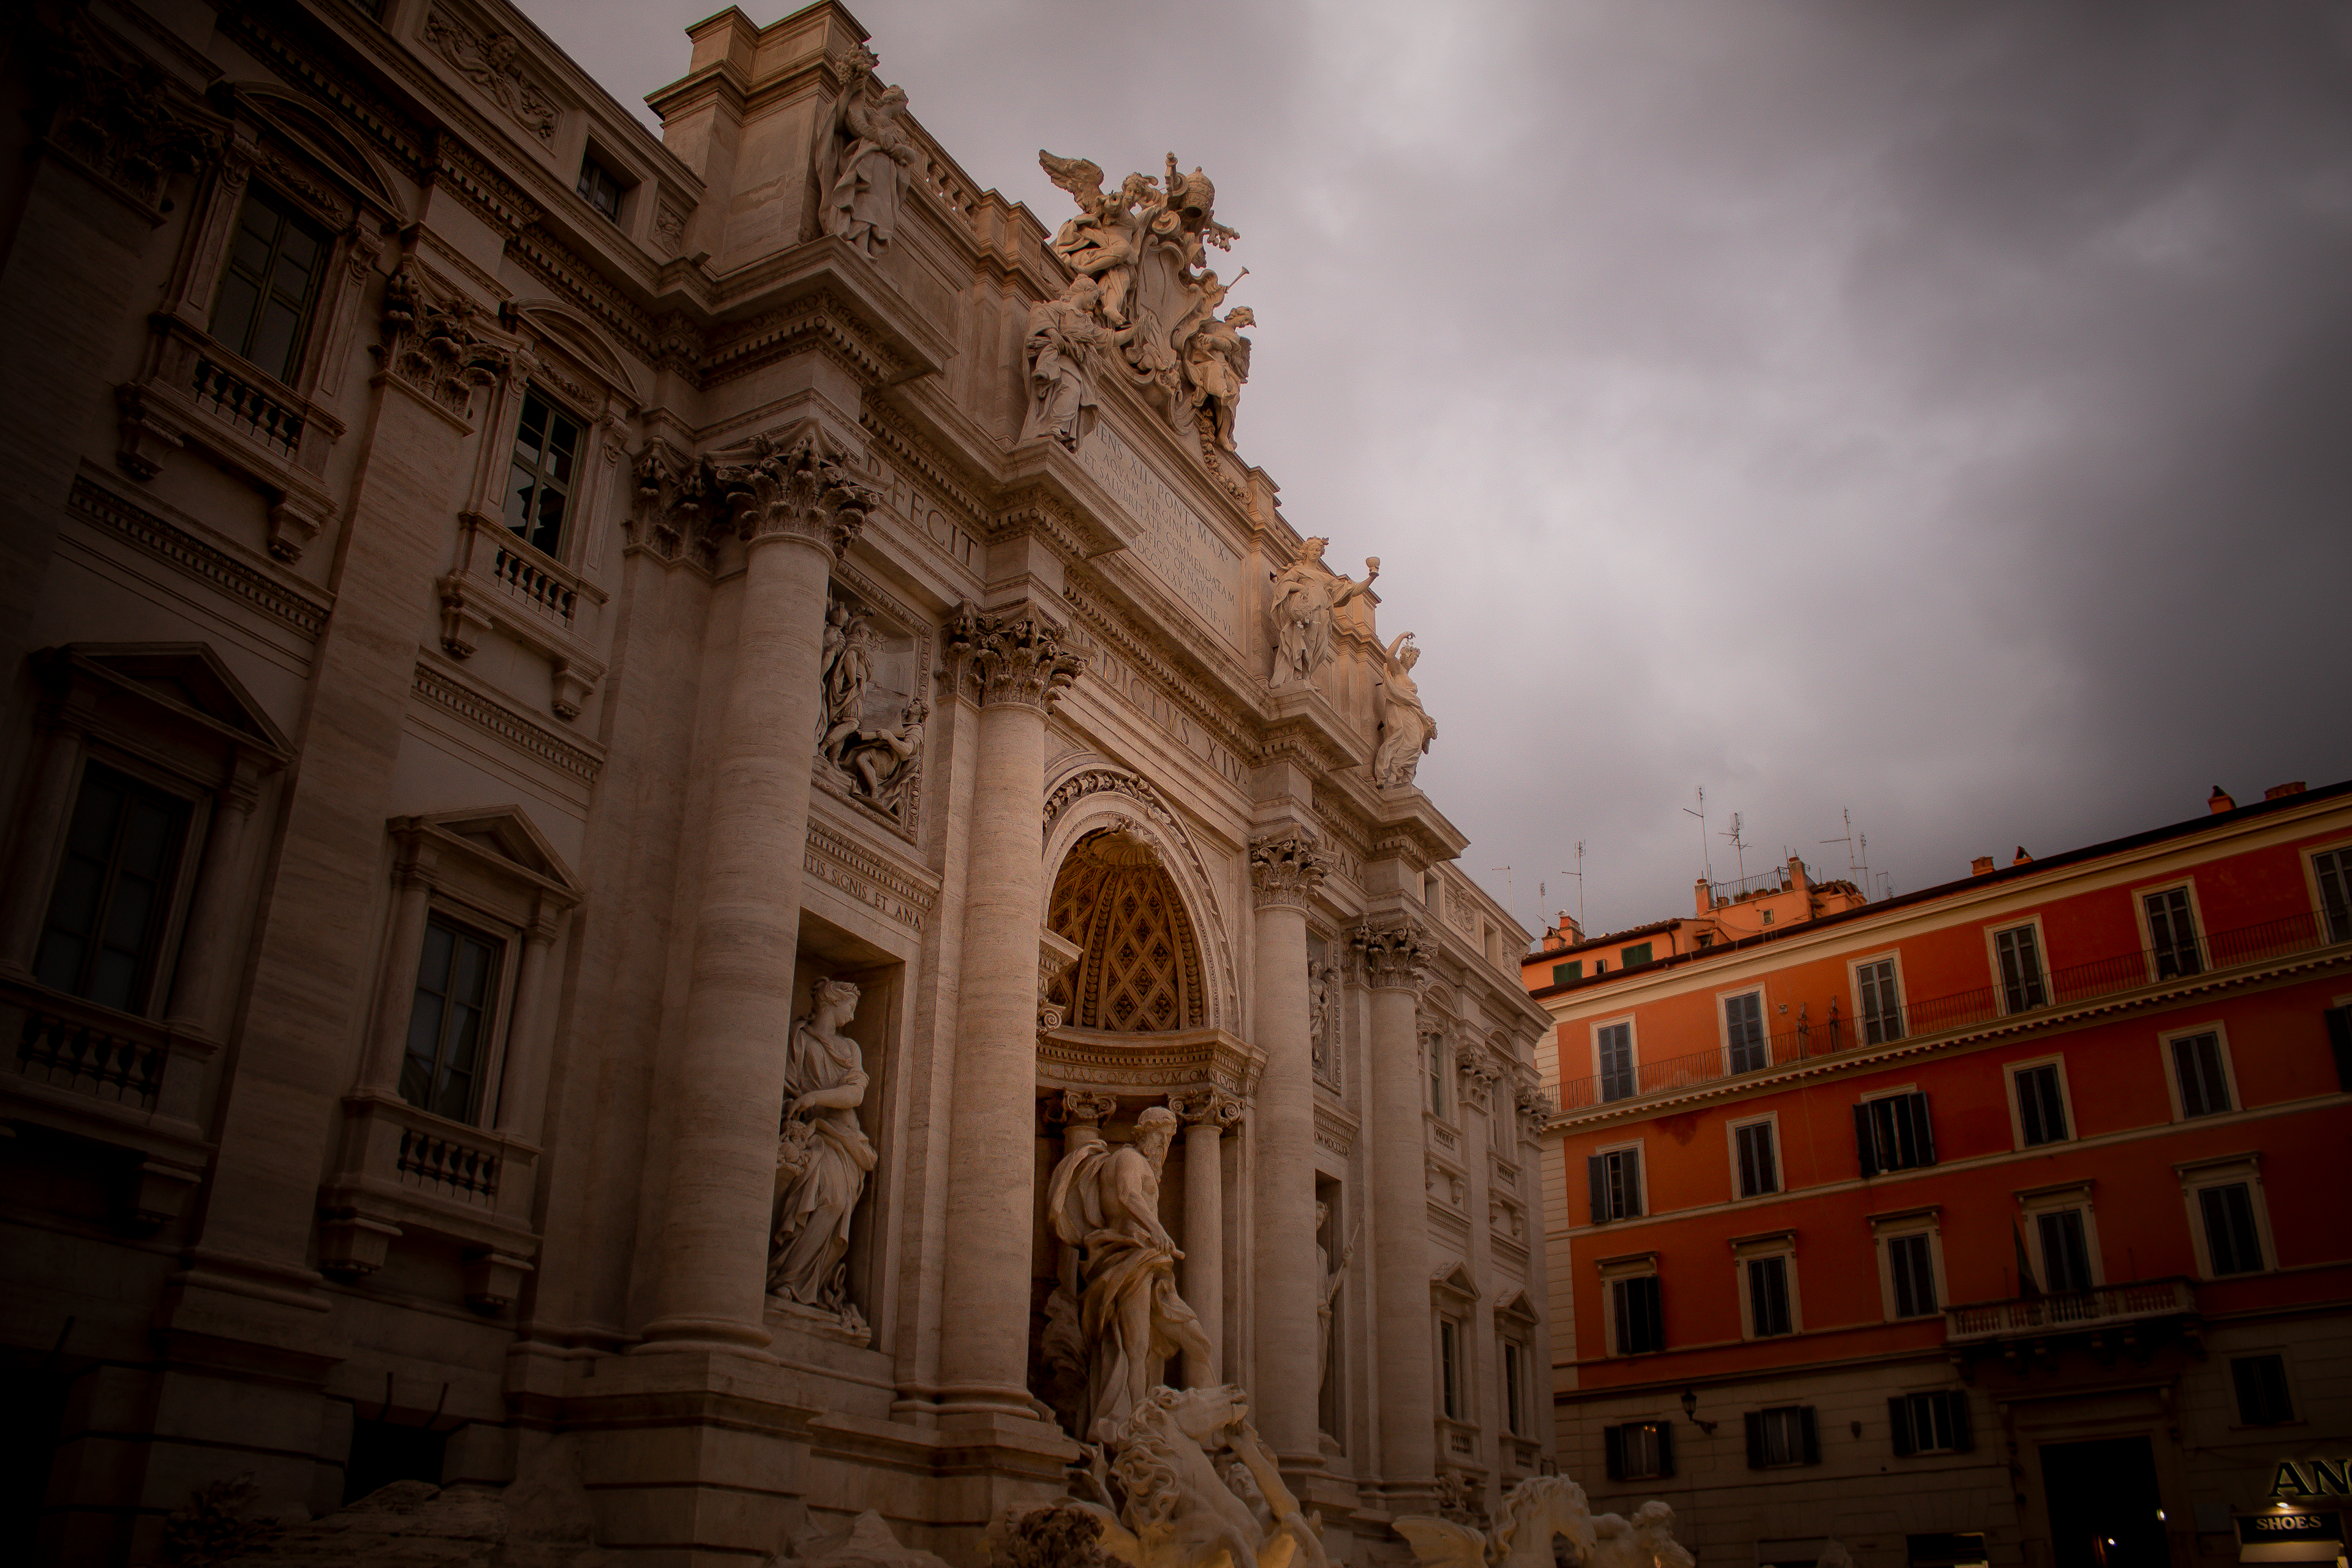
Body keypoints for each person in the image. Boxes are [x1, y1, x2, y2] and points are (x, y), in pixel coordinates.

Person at [1045, 1106, 1213, 1441]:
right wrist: (1158, 1230)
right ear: (1146, 1133)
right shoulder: (1130, 1161)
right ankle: (1139, 1425)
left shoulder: (1144, 1164)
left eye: (1169, 1139)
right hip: (1128, 1259)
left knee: (1196, 1341)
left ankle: (1206, 1425)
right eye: (1163, 1137)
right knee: (1137, 1348)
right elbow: (1127, 1195)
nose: (1166, 1146)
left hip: (1148, 1261)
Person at [769, 979, 878, 1310]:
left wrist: (815, 1096)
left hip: (842, 1136)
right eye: (851, 1007)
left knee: (834, 1200)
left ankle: (799, 1281)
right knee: (822, 1195)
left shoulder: (850, 1049)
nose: (854, 1016)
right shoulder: (797, 1039)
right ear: (832, 1002)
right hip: (806, 1132)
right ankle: (786, 1278)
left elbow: (855, 1094)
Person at [1018, 277, 1131, 448]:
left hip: (1074, 362)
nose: (1095, 303)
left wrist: (1136, 331)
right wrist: (1054, 334)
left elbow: (1110, 338)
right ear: (1085, 290)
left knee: (1074, 389)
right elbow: (1039, 314)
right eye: (1094, 297)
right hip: (1059, 358)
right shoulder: (1060, 307)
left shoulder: (1087, 323)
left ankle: (1056, 427)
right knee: (1072, 388)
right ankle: (1053, 426)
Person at [1268, 538, 1378, 688]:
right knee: (1301, 646)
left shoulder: (1326, 578)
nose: (1315, 553)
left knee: (1320, 651)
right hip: (1306, 613)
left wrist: (1371, 578)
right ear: (1306, 551)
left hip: (1323, 615)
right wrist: (1301, 588)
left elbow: (1353, 590)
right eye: (1313, 549)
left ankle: (1306, 678)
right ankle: (1294, 677)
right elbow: (1283, 584)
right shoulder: (1298, 571)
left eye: (1318, 551)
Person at [1372, 631, 1436, 789]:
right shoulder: (1397, 670)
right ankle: (1391, 771)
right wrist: (1402, 636)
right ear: (1406, 656)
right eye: (1414, 658)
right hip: (1399, 711)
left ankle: (1401, 775)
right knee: (1406, 742)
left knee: (1415, 744)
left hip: (1411, 713)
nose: (1414, 662)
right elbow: (1389, 655)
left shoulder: (1406, 676)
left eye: (1416, 660)